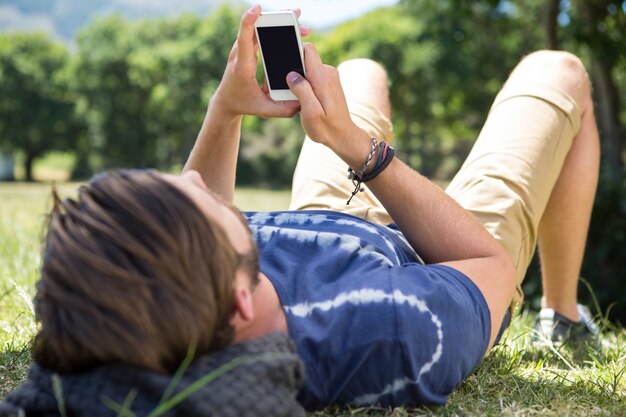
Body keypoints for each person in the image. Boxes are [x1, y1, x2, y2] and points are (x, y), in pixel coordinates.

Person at [1, 4, 600, 414]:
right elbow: (484, 259)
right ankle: (562, 313)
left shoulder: (194, 302)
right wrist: (356, 149)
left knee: (358, 70)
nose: (194, 180)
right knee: (559, 71)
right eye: (217, 211)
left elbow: (193, 226)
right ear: (241, 297)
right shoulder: (383, 329)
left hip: (325, 227)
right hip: (438, 251)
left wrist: (226, 108)